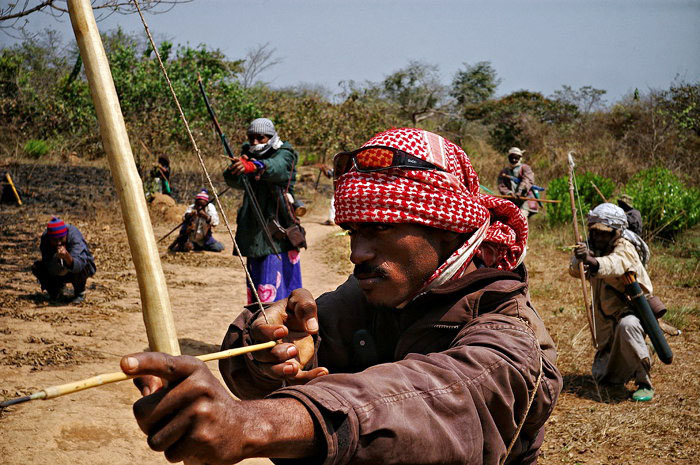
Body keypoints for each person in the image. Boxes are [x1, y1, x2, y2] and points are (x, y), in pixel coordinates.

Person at [122, 128, 562, 465]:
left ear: (448, 229)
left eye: (381, 228)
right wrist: (267, 354)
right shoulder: (377, 293)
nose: (357, 253)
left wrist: (255, 423)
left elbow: (436, 399)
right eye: (354, 231)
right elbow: (261, 364)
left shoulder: (510, 335)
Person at [569, 203, 658, 402]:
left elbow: (616, 264)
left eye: (604, 233)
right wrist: (580, 257)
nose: (599, 237)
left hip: (631, 313)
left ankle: (644, 382)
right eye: (595, 232)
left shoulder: (625, 248)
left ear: (617, 232)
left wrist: (592, 261)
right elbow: (575, 271)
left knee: (628, 327)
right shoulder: (593, 247)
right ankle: (632, 359)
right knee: (603, 377)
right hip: (605, 317)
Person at [223, 117, 304, 304]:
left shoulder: (285, 153)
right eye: (251, 138)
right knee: (257, 284)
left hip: (279, 227)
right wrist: (237, 168)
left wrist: (254, 166)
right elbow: (233, 180)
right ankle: (260, 322)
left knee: (278, 285)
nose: (255, 142)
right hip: (254, 229)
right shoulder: (248, 156)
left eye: (261, 138)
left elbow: (278, 169)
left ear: (271, 136)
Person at [32, 217, 96, 304]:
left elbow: (78, 264)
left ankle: (79, 291)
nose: (58, 243)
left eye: (61, 238)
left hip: (75, 269)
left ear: (66, 235)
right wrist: (56, 259)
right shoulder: (45, 238)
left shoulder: (74, 236)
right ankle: (56, 290)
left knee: (83, 263)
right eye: (55, 240)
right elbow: (46, 261)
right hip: (57, 269)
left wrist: (67, 256)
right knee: (37, 267)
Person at [497, 147, 539, 220]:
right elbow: (501, 185)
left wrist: (520, 191)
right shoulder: (504, 171)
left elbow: (527, 180)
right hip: (510, 200)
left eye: (516, 158)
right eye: (512, 158)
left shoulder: (525, 168)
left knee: (521, 218)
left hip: (525, 199)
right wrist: (509, 193)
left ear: (520, 158)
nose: (514, 160)